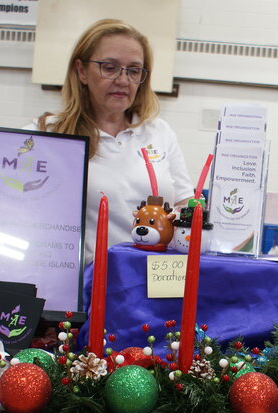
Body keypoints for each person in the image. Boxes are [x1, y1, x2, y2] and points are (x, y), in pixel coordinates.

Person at [33, 19, 193, 265]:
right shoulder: (48, 134)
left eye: (133, 70)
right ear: (82, 71)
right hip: (85, 286)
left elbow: (184, 205)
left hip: (153, 281)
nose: (122, 80)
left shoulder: (159, 132)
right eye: (109, 67)